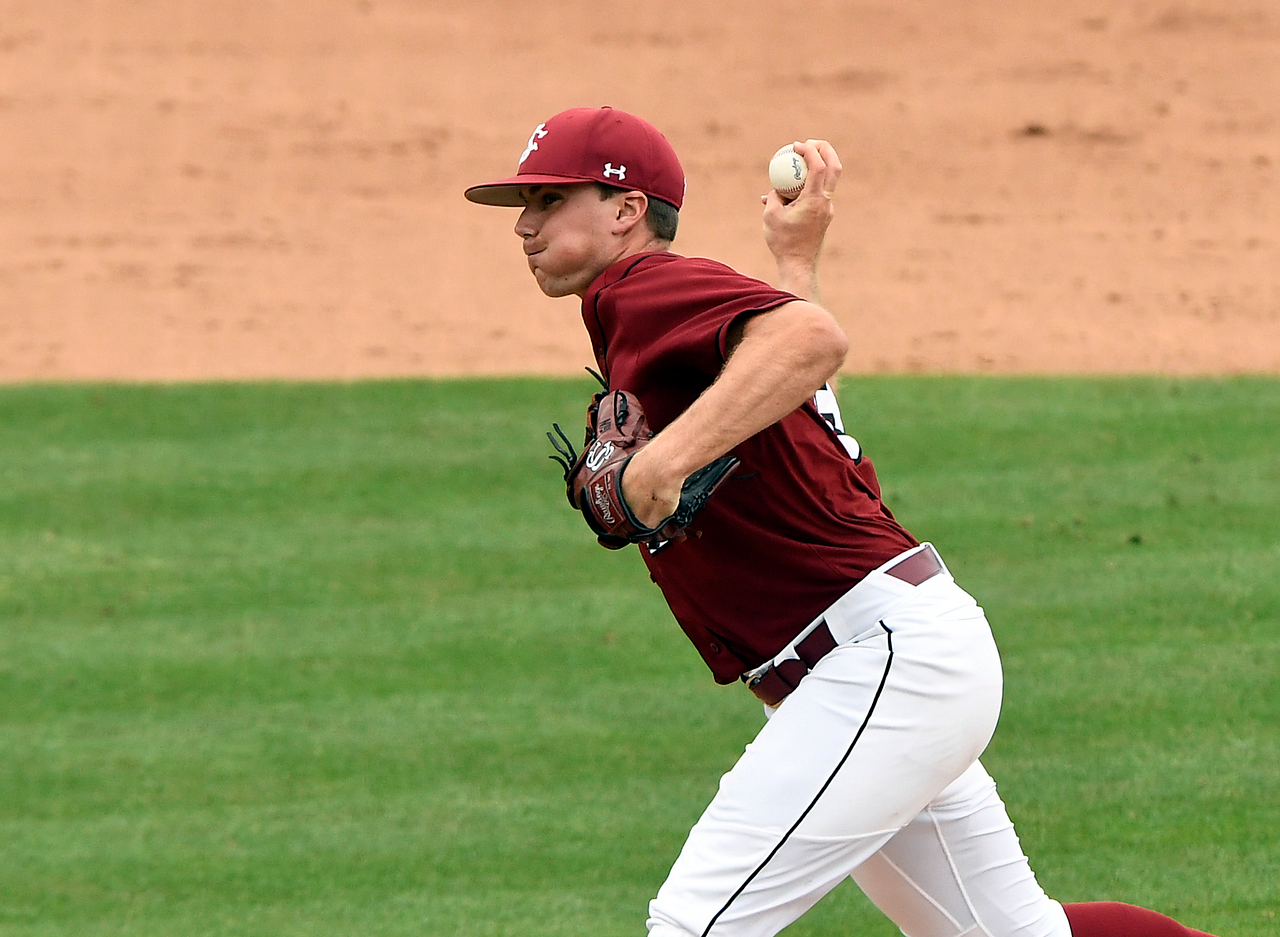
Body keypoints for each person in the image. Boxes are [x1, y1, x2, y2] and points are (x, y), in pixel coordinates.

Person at [465, 106, 1219, 937]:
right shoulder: (672, 326)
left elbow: (812, 339)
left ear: (624, 209)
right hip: (890, 663)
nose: (525, 226)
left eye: (547, 200)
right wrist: (794, 259)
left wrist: (662, 463)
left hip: (875, 663)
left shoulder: (648, 288)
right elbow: (811, 405)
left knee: (697, 925)